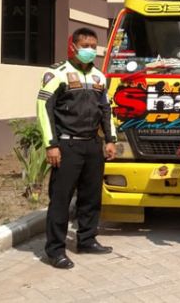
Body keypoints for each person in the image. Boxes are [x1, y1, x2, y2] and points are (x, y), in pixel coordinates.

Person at [36, 27, 117, 270]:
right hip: (66, 145)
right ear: (73, 46)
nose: (90, 50)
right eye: (86, 46)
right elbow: (44, 109)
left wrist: (110, 139)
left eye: (94, 46)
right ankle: (55, 250)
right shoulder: (57, 73)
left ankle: (87, 239)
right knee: (61, 199)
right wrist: (51, 144)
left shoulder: (99, 77)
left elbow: (106, 110)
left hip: (93, 145)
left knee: (91, 197)